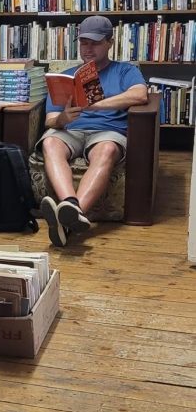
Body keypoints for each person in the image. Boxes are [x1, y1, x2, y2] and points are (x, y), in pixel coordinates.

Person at [38, 14, 148, 247]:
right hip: (71, 131)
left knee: (107, 150)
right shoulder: (66, 76)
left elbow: (140, 95)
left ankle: (70, 215)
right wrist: (62, 118)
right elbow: (49, 120)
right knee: (49, 142)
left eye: (95, 43)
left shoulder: (125, 71)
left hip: (107, 131)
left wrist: (98, 104)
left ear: (109, 42)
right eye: (84, 42)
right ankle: (71, 206)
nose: (88, 49)